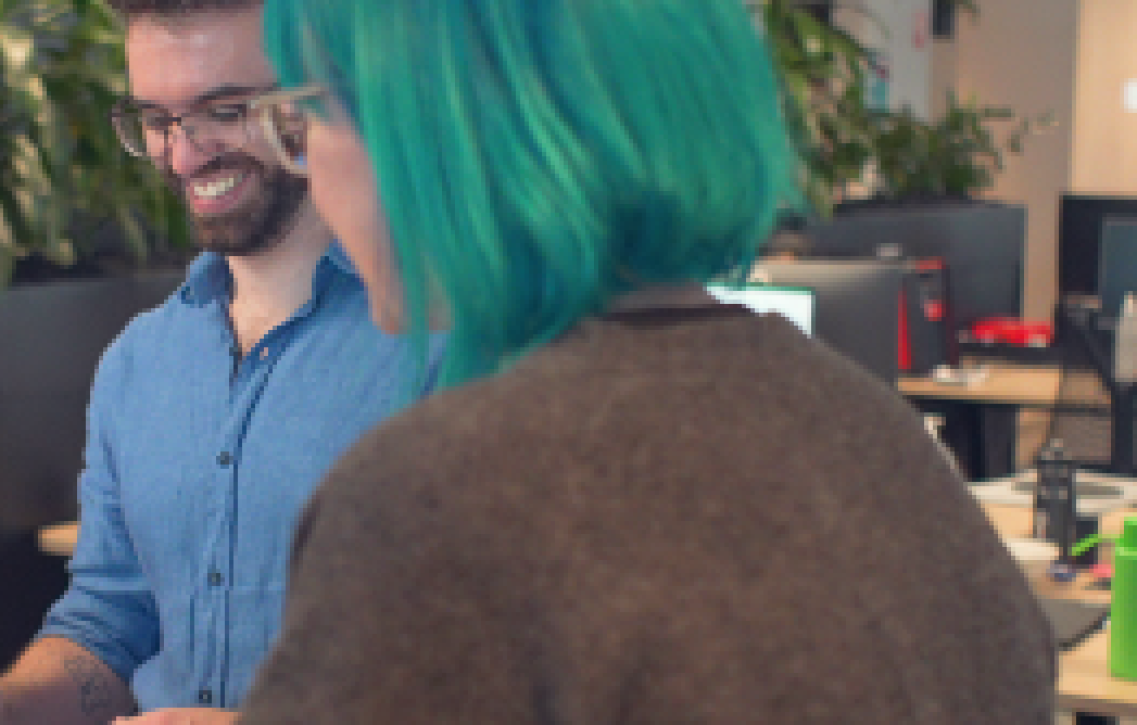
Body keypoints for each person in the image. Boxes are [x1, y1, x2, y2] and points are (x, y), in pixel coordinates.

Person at [228, 0, 1058, 722]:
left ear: (435, 129)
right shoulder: (880, 437)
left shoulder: (434, 498)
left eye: (307, 117)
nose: (308, 173)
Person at [0, 0, 411, 723]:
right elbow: (108, 625)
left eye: (224, 109)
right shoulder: (139, 362)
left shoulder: (444, 341)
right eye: (157, 121)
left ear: (321, 92)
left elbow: (510, 658)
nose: (185, 155)